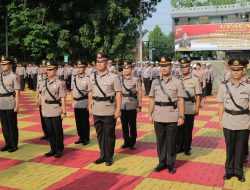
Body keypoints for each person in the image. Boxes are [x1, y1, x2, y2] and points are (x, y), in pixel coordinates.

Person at [148, 57, 185, 174]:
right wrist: (149, 114)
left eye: (166, 66)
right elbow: (152, 99)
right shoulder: (155, 82)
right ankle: (161, 162)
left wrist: (181, 116)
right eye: (162, 66)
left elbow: (180, 100)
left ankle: (170, 163)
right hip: (158, 115)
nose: (163, 68)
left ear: (171, 67)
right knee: (160, 141)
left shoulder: (177, 82)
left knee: (171, 141)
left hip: (172, 116)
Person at [217, 58, 250, 182]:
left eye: (238, 69)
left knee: (241, 148)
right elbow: (221, 105)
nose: (236, 72)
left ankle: (239, 171)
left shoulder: (248, 87)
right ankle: (229, 171)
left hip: (243, 121)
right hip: (228, 121)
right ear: (229, 70)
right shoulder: (223, 86)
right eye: (233, 69)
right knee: (230, 147)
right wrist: (220, 121)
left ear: (243, 71)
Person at [88, 53, 122, 166]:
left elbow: (118, 94)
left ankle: (109, 156)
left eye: (101, 61)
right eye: (97, 61)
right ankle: (102, 155)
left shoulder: (113, 77)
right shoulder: (92, 76)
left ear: (106, 63)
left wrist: (118, 109)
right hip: (96, 109)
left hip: (109, 110)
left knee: (109, 135)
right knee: (100, 134)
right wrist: (89, 106)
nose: (99, 64)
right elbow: (90, 92)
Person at [41, 61, 67, 158]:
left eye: (51, 69)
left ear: (56, 70)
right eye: (47, 69)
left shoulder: (60, 83)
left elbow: (63, 98)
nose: (48, 71)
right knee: (50, 131)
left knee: (57, 131)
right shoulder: (44, 82)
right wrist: (43, 109)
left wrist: (64, 111)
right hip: (47, 109)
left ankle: (59, 149)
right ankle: (53, 148)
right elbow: (43, 97)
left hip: (56, 109)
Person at [177, 58, 202, 155]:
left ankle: (187, 148)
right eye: (182, 67)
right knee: (179, 129)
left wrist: (197, 108)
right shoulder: (176, 79)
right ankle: (179, 146)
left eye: (186, 66)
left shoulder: (195, 80)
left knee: (187, 129)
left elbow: (198, 95)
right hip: (178, 107)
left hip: (189, 107)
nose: (184, 68)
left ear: (190, 67)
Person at [120, 60, 142, 150]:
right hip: (122, 104)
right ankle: (126, 141)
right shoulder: (120, 79)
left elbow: (139, 92)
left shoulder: (136, 79)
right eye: (124, 68)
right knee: (124, 125)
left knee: (132, 125)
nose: (125, 70)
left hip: (132, 104)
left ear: (131, 68)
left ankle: (133, 142)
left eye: (127, 68)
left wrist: (139, 105)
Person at [0, 56, 21, 152]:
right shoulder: (0, 76)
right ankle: (8, 143)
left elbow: (17, 93)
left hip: (10, 102)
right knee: (4, 126)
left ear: (10, 65)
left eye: (4, 64)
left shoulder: (14, 76)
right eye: (1, 64)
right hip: (1, 103)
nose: (2, 66)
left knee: (12, 125)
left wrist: (17, 105)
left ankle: (14, 144)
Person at [71, 60, 91, 145]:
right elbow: (72, 90)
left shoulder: (88, 79)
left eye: (81, 67)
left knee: (84, 122)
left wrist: (89, 105)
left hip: (84, 102)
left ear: (85, 68)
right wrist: (72, 101)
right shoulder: (74, 78)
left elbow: (90, 93)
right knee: (78, 122)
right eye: (78, 67)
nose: (79, 69)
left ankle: (86, 138)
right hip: (76, 103)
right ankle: (80, 137)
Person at [35, 60, 48, 140]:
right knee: (42, 117)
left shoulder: (50, 76)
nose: (42, 68)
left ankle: (51, 134)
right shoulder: (39, 77)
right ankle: (46, 133)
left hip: (47, 98)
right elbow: (37, 88)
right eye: (41, 67)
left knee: (48, 117)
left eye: (44, 67)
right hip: (40, 98)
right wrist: (36, 98)